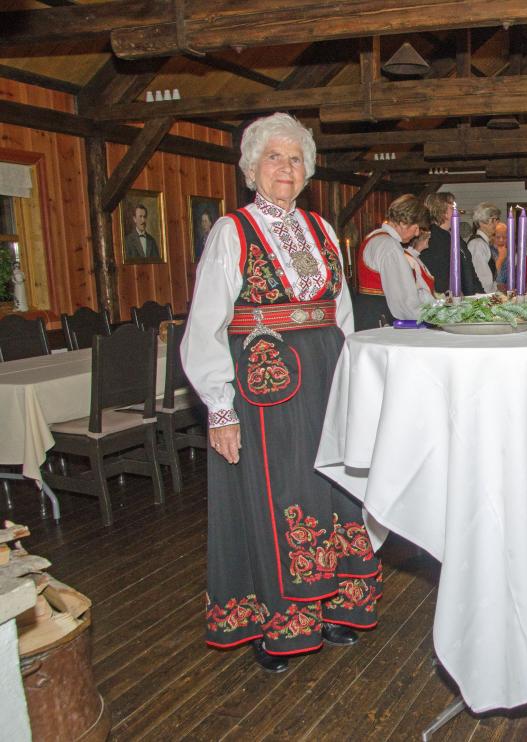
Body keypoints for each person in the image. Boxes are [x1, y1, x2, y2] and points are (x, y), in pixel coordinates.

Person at [182, 112, 381, 673]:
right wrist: (219, 408)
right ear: (251, 168)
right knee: (279, 496)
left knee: (334, 487)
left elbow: (342, 314)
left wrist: (355, 380)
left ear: (308, 170)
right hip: (265, 387)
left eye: (295, 158)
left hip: (326, 376)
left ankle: (336, 603)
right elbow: (205, 326)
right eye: (274, 157)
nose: (286, 168)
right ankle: (279, 621)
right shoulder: (232, 232)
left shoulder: (322, 230)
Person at [353, 194, 429, 329]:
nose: (417, 233)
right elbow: (401, 297)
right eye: (416, 227)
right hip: (380, 315)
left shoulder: (375, 237)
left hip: (366, 313)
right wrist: (427, 318)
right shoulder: (389, 246)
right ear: (403, 222)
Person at [419, 192, 480, 296]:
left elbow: (469, 269)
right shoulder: (432, 238)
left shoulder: (455, 236)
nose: (456, 211)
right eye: (452, 208)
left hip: (469, 297)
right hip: (449, 299)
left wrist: (480, 294)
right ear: (442, 212)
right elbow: (438, 275)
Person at [466, 202, 500, 293]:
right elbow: (483, 281)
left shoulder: (482, 243)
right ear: (482, 222)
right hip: (482, 296)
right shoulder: (478, 244)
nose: (497, 223)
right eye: (493, 220)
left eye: (497, 219)